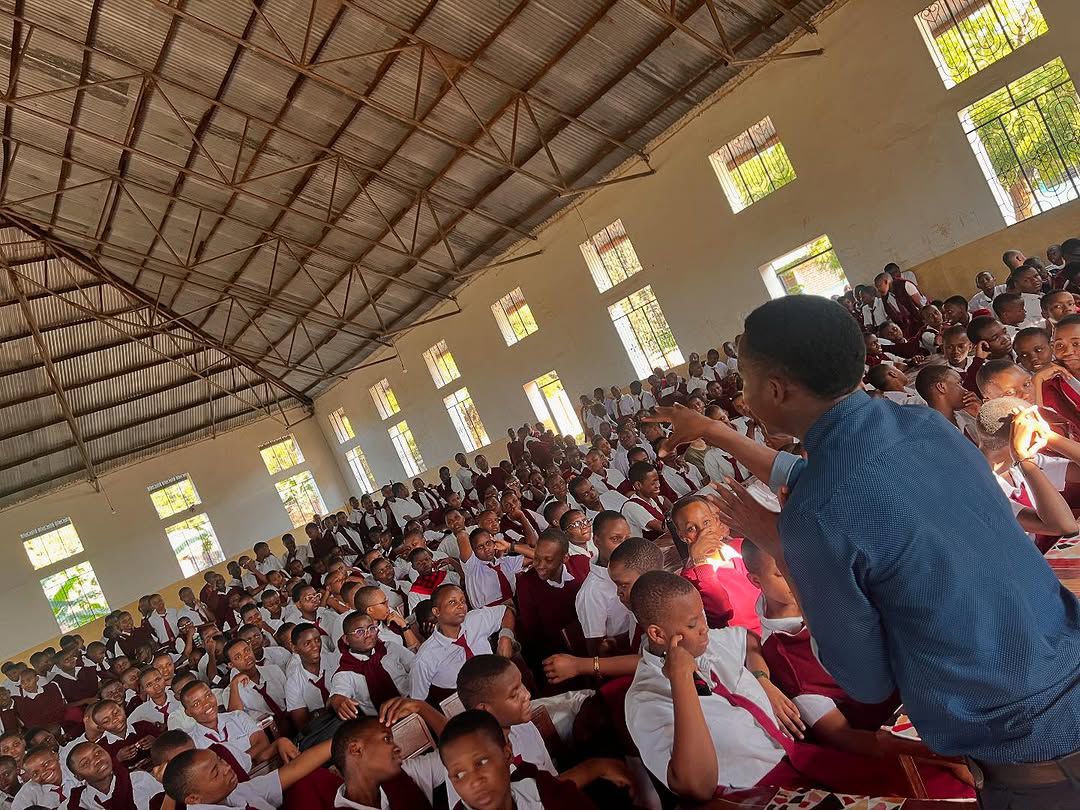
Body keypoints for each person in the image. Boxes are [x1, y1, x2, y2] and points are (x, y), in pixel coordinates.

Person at [647, 294, 1080, 808]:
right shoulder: (926, 427)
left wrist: (782, 546)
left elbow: (866, 680)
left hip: (1029, 751)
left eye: (745, 383)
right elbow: (840, 475)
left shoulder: (814, 519)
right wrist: (718, 434)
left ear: (775, 389)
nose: (742, 399)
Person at [455, 655, 630, 800]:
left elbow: (553, 782)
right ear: (485, 710)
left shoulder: (524, 727)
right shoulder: (471, 767)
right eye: (514, 694)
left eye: (522, 684)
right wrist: (595, 767)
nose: (527, 695)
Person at [438, 710, 596, 809]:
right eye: (459, 775)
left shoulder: (542, 793)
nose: (475, 781)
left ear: (507, 755)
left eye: (481, 762)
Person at [409, 584, 516, 703]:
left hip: (500, 684)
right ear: (437, 611)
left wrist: (505, 637)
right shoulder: (424, 658)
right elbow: (417, 702)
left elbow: (506, 611)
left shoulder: (474, 620)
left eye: (462, 600)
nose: (461, 606)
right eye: (452, 602)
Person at [161, 738, 332, 809]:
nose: (227, 767)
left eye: (220, 760)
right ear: (193, 799)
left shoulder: (232, 791)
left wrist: (344, 740)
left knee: (307, 779)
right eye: (215, 772)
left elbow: (294, 770)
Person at [330, 715, 447, 809]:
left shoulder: (406, 773)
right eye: (387, 739)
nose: (397, 748)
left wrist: (421, 708)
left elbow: (455, 753)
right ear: (356, 749)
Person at [328, 611, 414, 720]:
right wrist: (337, 700)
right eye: (360, 632)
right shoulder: (345, 673)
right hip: (381, 722)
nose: (368, 635)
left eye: (371, 628)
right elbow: (337, 696)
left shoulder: (390, 648)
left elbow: (417, 667)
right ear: (346, 639)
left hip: (413, 704)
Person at [574, 512, 635, 656]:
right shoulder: (592, 592)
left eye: (627, 539)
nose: (624, 546)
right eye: (615, 539)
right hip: (625, 655)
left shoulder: (633, 569)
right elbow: (597, 650)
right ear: (596, 541)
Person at [65, 740, 162, 810]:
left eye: (98, 753)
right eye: (85, 763)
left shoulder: (139, 779)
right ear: (79, 776)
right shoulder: (80, 804)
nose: (97, 760)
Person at [456, 525, 533, 609]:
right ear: (473, 551)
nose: (486, 549)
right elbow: (462, 535)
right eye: (480, 547)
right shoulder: (472, 566)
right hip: (487, 616)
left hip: (513, 607)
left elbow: (538, 557)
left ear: (493, 542)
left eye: (488, 543)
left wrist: (510, 546)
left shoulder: (506, 562)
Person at [913, 364, 978, 440]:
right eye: (959, 383)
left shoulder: (967, 416)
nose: (965, 390)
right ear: (941, 387)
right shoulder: (929, 433)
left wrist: (982, 415)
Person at [619, 461, 670, 541]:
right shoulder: (631, 507)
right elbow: (662, 527)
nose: (658, 485)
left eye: (658, 481)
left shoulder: (652, 499)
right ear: (638, 485)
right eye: (653, 483)